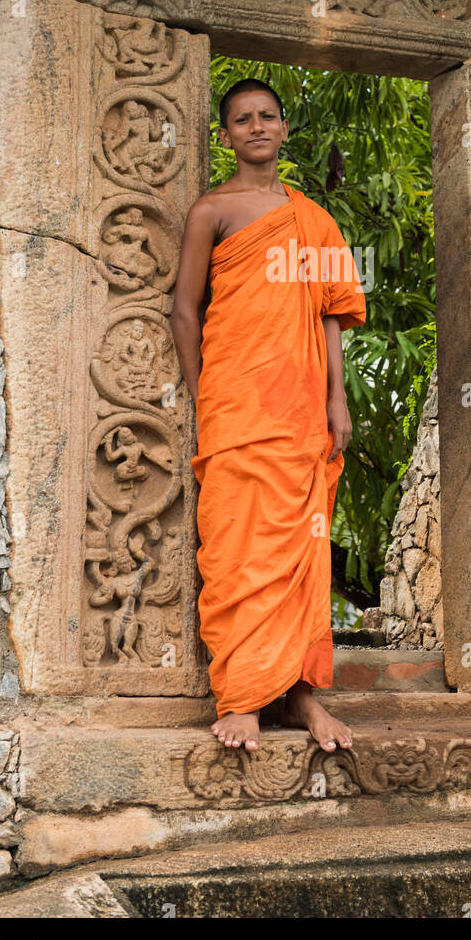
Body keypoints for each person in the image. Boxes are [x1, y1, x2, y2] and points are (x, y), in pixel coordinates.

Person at [172, 78, 366, 753]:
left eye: (266, 116)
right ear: (224, 136)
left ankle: (305, 699)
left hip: (300, 402)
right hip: (234, 400)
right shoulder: (211, 212)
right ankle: (242, 699)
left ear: (283, 129)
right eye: (240, 119)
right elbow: (183, 310)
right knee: (236, 547)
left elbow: (332, 314)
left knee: (301, 552)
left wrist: (336, 397)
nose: (255, 126)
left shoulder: (312, 219)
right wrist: (203, 395)